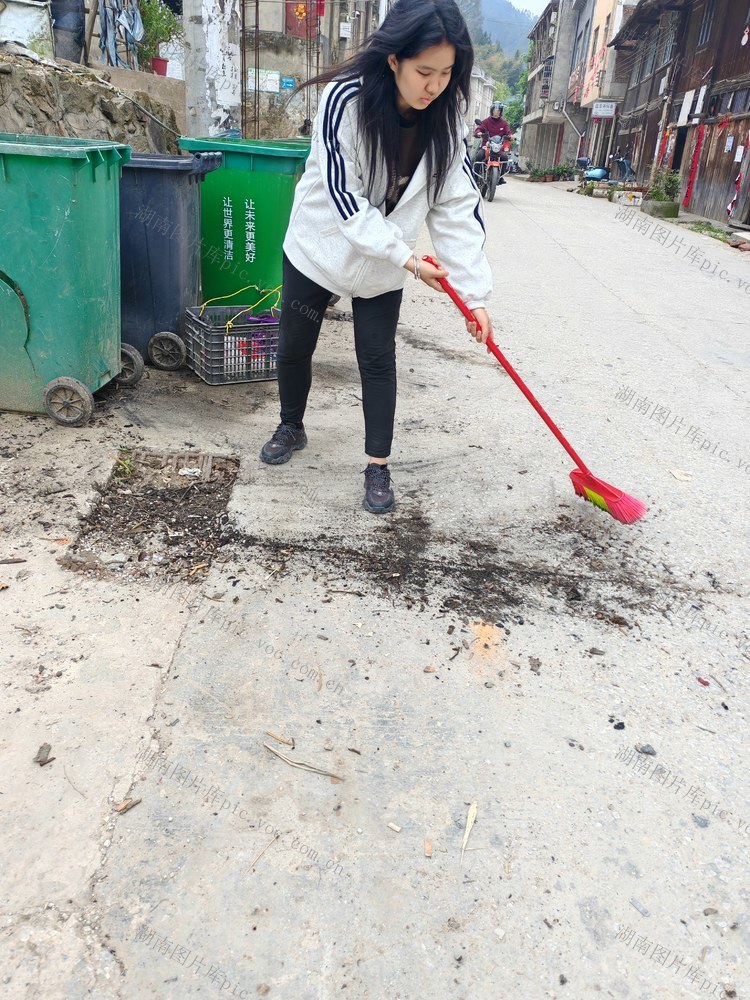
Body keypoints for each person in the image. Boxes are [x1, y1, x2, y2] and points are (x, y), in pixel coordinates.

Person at [260, 0, 493, 515]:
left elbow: (457, 209)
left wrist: (474, 296)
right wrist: (409, 260)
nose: (434, 86)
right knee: (295, 345)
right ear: (394, 59)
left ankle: (377, 465)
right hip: (321, 247)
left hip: (385, 265)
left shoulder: (446, 125)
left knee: (377, 359)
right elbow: (346, 201)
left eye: (446, 74)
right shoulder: (344, 100)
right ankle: (291, 425)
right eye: (424, 72)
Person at [472, 101, 512, 182]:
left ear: (501, 111)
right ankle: (475, 177)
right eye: (495, 110)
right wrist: (478, 133)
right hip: (486, 146)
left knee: (505, 157)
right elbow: (479, 128)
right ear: (492, 111)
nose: (496, 112)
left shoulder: (504, 123)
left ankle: (500, 177)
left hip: (498, 147)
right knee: (479, 156)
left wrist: (511, 136)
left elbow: (508, 132)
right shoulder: (486, 121)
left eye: (498, 110)